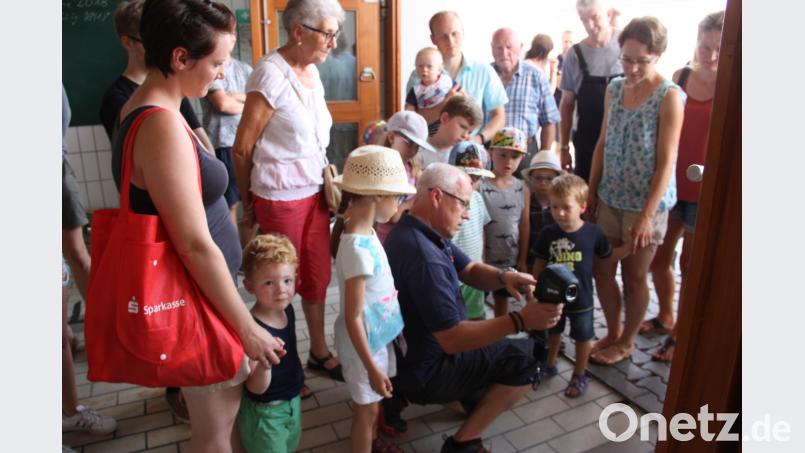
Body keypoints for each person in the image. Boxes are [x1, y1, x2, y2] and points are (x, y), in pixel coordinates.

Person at [111, 1, 284, 451]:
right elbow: (192, 243)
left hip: (206, 298)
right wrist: (246, 328)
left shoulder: (156, 106)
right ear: (180, 58)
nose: (223, 75)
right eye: (219, 63)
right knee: (213, 436)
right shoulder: (159, 125)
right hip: (198, 304)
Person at [383, 163, 563, 453]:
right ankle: (463, 443)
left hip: (404, 357)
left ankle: (414, 397)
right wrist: (521, 320)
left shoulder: (412, 229)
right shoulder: (424, 257)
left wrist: (506, 277)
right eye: (464, 204)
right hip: (427, 370)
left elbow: (469, 269)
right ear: (437, 197)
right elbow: (452, 338)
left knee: (492, 358)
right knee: (529, 358)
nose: (468, 214)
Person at [233, 0, 346, 391]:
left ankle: (317, 350)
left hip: (314, 192)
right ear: (299, 31)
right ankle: (283, 367)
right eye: (327, 33)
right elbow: (243, 147)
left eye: (335, 34)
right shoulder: (269, 75)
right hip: (278, 198)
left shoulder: (312, 71)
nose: (333, 42)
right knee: (278, 286)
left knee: (316, 276)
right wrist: (248, 204)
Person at [586, 16, 685, 366]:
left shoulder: (669, 96)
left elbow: (666, 163)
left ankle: (627, 341)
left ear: (657, 56)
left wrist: (646, 217)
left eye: (641, 61)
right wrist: (592, 191)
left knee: (634, 275)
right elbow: (601, 143)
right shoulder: (614, 88)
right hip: (610, 196)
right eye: (626, 59)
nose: (631, 68)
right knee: (601, 269)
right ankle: (612, 332)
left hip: (647, 205)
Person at [646, 11, 724, 363]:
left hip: (705, 191)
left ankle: (681, 334)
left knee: (690, 266)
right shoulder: (681, 77)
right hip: (673, 185)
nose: (708, 54)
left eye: (717, 49)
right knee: (659, 259)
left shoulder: (734, 82)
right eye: (704, 45)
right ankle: (666, 315)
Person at [330, 146, 416, 453]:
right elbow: (353, 316)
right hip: (363, 347)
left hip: (374, 338)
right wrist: (372, 368)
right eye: (399, 197)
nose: (399, 204)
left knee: (370, 409)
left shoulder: (366, 235)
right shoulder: (357, 248)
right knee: (364, 415)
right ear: (379, 195)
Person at [531, 174, 612, 397]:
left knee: (583, 337)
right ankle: (550, 362)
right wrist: (534, 291)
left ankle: (579, 373)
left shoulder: (594, 233)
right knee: (553, 331)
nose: (560, 213)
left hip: (582, 299)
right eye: (555, 207)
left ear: (583, 206)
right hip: (553, 298)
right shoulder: (548, 233)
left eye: (566, 207)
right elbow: (539, 263)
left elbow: (608, 257)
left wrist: (631, 247)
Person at [99, 0, 215, 154]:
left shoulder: (169, 87)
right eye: (150, 43)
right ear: (128, 43)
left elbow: (206, 149)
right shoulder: (117, 98)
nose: (162, 49)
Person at [237, 234, 304, 453]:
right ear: (249, 286)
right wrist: (266, 364)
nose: (281, 290)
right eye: (269, 283)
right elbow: (255, 388)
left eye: (287, 280)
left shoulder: (287, 309)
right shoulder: (253, 330)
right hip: (265, 414)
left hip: (291, 403)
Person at [406, 11, 508, 143]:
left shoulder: (484, 72)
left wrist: (478, 139)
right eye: (443, 36)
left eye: (455, 34)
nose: (450, 41)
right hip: (428, 150)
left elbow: (499, 116)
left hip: (468, 152)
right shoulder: (418, 75)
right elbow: (411, 120)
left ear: (463, 33)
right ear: (433, 39)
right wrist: (444, 104)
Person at [558, 0, 623, 181]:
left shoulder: (626, 43)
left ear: (608, 14)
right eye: (584, 20)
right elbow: (567, 104)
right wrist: (564, 147)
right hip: (588, 140)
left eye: (595, 18)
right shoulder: (575, 54)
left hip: (624, 139)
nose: (590, 26)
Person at [490, 28, 560, 166]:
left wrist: (543, 159)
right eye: (499, 48)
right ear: (492, 48)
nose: (504, 53)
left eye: (509, 47)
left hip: (525, 152)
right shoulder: (485, 75)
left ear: (520, 47)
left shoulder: (536, 76)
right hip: (490, 153)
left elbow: (549, 121)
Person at [481, 127, 531, 317]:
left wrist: (523, 259)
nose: (508, 161)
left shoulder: (522, 188)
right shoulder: (481, 186)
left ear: (522, 157)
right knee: (479, 301)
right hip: (486, 259)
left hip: (510, 255)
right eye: (502, 155)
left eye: (514, 157)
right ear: (491, 152)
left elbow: (524, 225)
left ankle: (499, 337)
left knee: (503, 298)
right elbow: (480, 226)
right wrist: (482, 258)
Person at [201, 55, 253, 229]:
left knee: (251, 203)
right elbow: (222, 104)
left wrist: (235, 96)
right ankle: (235, 255)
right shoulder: (210, 67)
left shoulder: (245, 69)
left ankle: (250, 253)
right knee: (230, 204)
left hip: (249, 140)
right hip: (223, 143)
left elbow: (258, 101)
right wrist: (247, 102)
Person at [448, 141, 495, 320]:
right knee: (455, 318)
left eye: (476, 177)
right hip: (454, 274)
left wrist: (483, 261)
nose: (472, 181)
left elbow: (482, 230)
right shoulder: (449, 201)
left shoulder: (478, 199)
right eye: (467, 176)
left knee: (476, 317)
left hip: (475, 269)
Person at [374, 111, 434, 243]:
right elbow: (392, 216)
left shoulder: (413, 169)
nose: (413, 150)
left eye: (418, 146)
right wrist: (415, 200)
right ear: (391, 138)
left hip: (410, 236)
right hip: (388, 239)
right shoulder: (383, 170)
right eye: (409, 142)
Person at [415, 94, 482, 169]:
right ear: (445, 118)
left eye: (470, 132)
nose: (465, 136)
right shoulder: (416, 149)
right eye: (463, 127)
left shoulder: (462, 160)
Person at [521, 150, 561, 270]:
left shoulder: (561, 205)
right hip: (530, 260)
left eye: (549, 178)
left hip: (557, 261)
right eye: (538, 178)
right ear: (530, 178)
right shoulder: (525, 203)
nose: (543, 183)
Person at [405, 47, 458, 135]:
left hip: (447, 125)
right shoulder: (415, 90)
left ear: (439, 69)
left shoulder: (446, 82)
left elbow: (463, 95)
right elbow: (409, 108)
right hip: (425, 128)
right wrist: (408, 113)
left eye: (429, 66)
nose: (424, 69)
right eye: (420, 66)